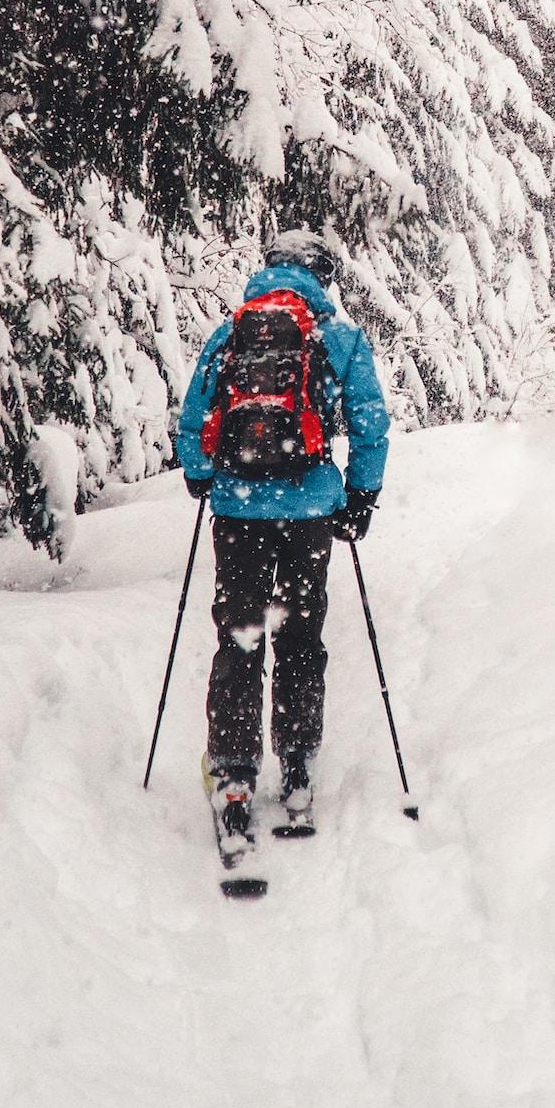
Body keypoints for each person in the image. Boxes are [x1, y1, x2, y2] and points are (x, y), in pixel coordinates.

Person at [176, 228, 389, 865]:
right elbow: (370, 423)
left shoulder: (228, 333)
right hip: (310, 512)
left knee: (240, 634)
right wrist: (360, 496)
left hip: (238, 512)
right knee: (300, 634)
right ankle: (296, 770)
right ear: (321, 276)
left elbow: (193, 421)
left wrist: (202, 473)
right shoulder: (340, 339)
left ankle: (235, 777)